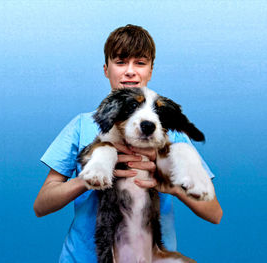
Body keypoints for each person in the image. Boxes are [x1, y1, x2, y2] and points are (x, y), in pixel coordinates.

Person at [34, 24, 223, 263]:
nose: (130, 71)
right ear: (106, 69)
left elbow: (215, 213)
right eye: (121, 62)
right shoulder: (82, 126)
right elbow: (41, 206)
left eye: (140, 63)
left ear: (151, 70)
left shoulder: (168, 135)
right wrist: (86, 179)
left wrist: (174, 186)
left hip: (150, 255)